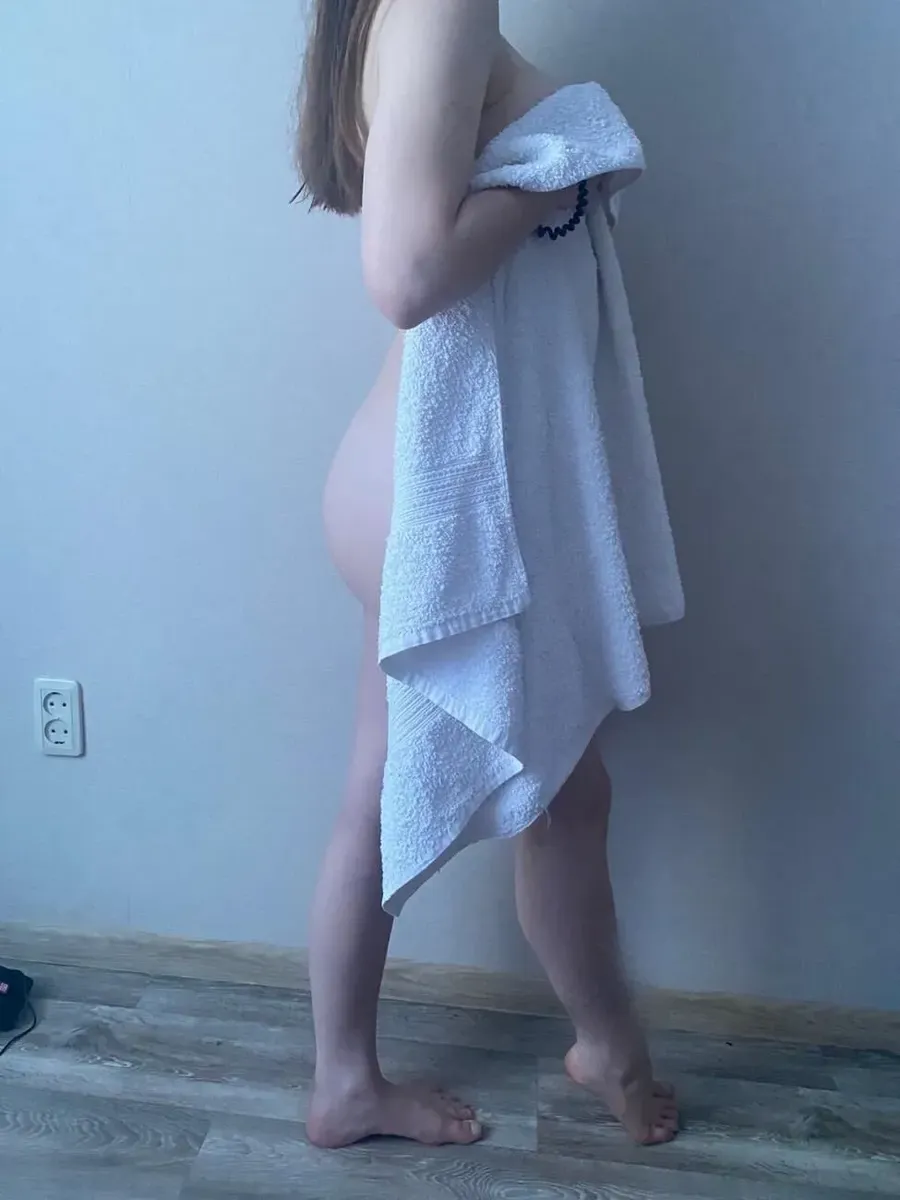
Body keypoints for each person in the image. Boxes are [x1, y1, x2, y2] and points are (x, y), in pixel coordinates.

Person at [295, 0, 680, 1150]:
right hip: (436, 497)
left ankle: (348, 1080)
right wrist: (559, 172)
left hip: (415, 483)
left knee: (421, 793)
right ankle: (607, 1047)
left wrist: (550, 177)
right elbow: (406, 272)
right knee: (562, 796)